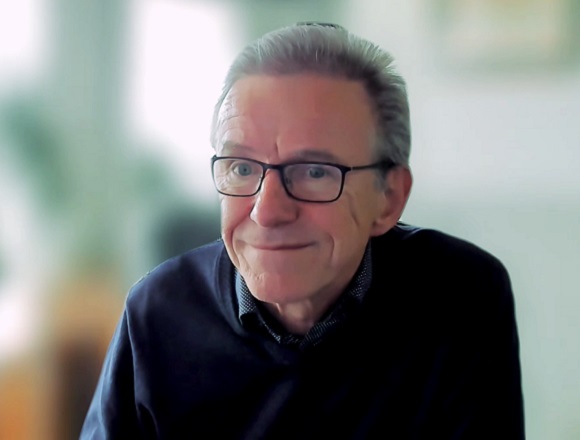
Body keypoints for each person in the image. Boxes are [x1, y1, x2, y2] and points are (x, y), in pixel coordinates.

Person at [80, 22, 525, 439]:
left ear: (388, 198)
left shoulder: (460, 297)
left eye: (314, 171)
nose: (266, 212)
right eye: (241, 168)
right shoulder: (158, 314)